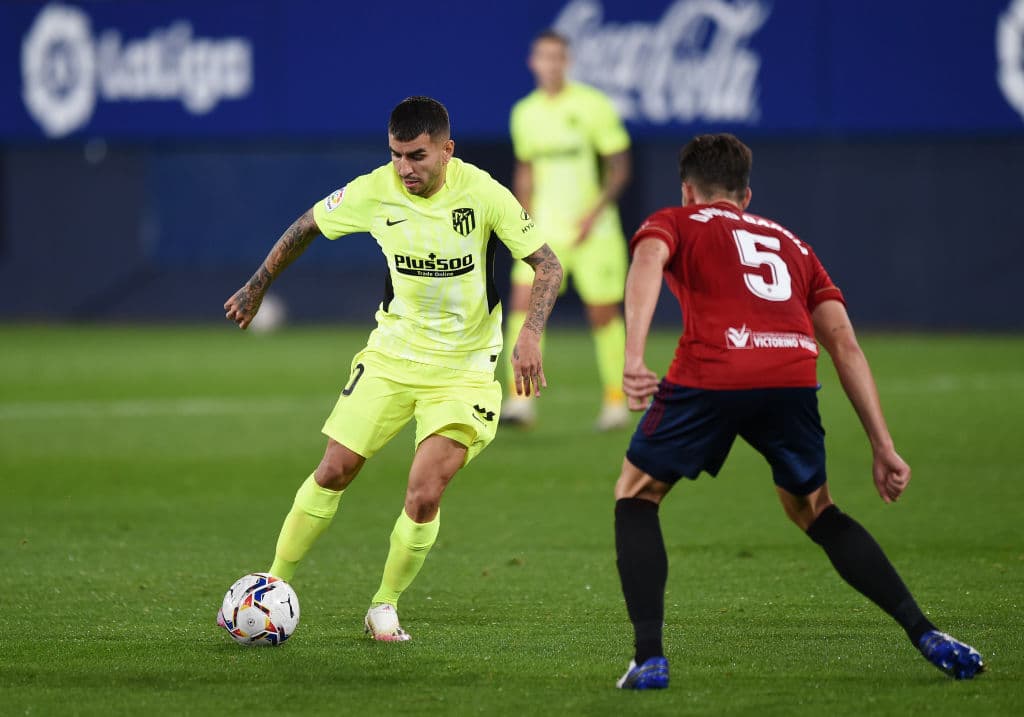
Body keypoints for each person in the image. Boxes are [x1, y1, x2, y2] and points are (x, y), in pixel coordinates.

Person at [612, 134, 984, 688]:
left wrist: (634, 355)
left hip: (714, 369)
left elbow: (646, 257)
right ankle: (926, 632)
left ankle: (649, 659)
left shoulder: (676, 220)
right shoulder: (792, 243)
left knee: (637, 494)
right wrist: (883, 444)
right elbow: (845, 345)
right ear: (746, 194)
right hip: (791, 377)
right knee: (816, 509)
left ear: (688, 191)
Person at [222, 96, 563, 641]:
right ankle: (271, 586)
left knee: (424, 492)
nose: (405, 168)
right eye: (397, 155)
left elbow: (547, 263)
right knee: (334, 469)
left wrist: (530, 333)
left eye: (418, 156)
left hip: (465, 369)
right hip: (391, 355)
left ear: (447, 151)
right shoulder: (374, 190)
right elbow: (308, 223)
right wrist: (257, 284)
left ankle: (384, 604)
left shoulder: (483, 193)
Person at [501, 29, 632, 430]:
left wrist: (594, 214)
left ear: (567, 61)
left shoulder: (592, 105)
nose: (551, 64)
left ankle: (616, 400)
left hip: (595, 231)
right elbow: (525, 170)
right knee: (524, 306)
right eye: (544, 56)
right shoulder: (525, 113)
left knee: (602, 315)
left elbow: (619, 165)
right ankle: (520, 401)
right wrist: (524, 219)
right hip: (544, 232)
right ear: (533, 63)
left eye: (558, 56)